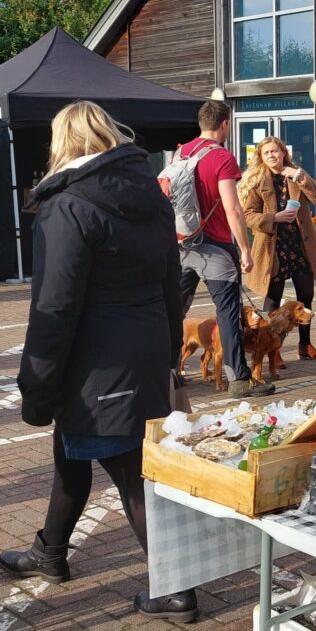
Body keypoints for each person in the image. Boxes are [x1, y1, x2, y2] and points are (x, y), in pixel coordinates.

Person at [0, 101, 197, 622]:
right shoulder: (149, 197)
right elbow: (168, 283)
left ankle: (177, 589)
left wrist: (36, 385)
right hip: (139, 350)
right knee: (73, 452)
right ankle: (49, 552)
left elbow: (55, 306)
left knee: (130, 473)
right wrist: (169, 350)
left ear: (62, 145)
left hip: (97, 362)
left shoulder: (67, 206)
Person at [176, 101, 272, 397]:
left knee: (173, 309)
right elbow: (232, 208)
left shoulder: (181, 152)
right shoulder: (222, 157)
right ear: (225, 124)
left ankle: (167, 372)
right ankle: (239, 380)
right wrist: (244, 248)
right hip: (215, 246)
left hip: (182, 243)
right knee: (228, 312)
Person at [240, 136, 316, 361]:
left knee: (305, 296)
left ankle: (305, 345)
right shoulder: (258, 181)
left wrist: (300, 177)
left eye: (275, 151)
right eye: (266, 152)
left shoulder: (296, 174)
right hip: (273, 248)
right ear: (261, 157)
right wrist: (274, 217)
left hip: (300, 246)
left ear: (283, 153)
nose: (271, 155)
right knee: (272, 301)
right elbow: (248, 216)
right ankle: (272, 350)